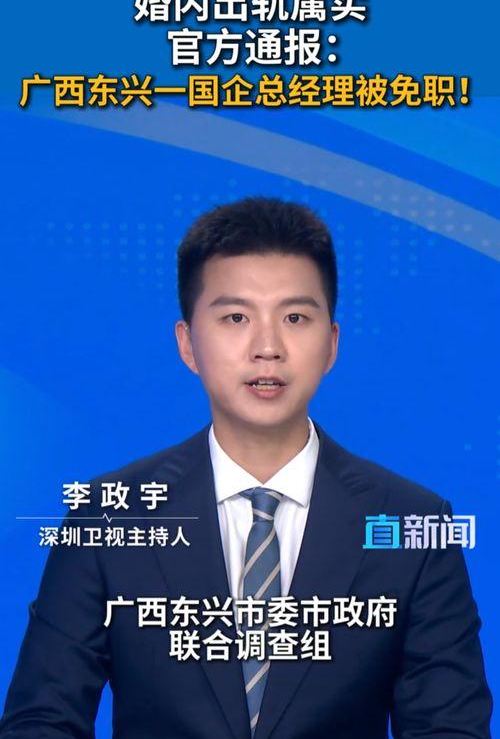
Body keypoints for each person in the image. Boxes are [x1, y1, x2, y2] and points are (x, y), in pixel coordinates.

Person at [0, 197, 492, 738]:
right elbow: (41, 720)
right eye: (236, 317)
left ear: (331, 344)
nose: (267, 347)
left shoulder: (411, 524)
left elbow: (450, 728)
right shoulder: (109, 518)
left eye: (295, 317)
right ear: (188, 344)